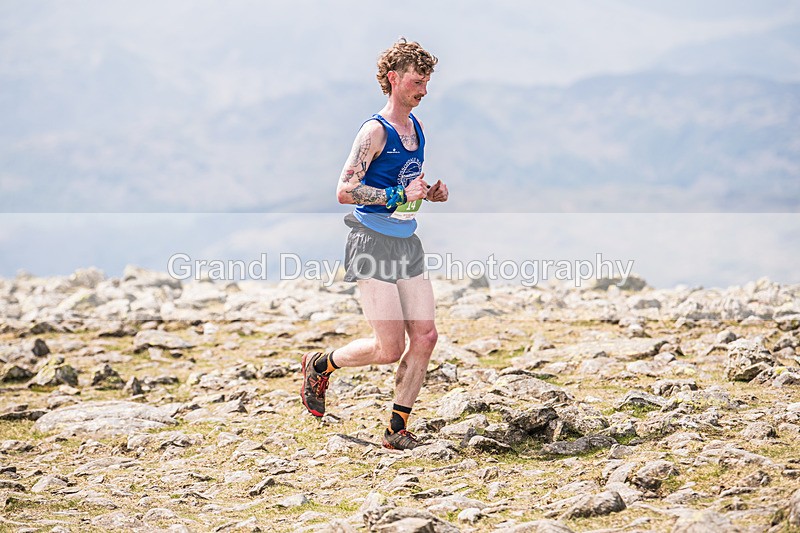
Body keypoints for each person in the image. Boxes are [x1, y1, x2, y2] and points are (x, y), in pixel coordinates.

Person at [300, 38, 448, 450]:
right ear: (393, 79)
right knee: (388, 348)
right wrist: (399, 197)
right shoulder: (374, 131)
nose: (423, 92)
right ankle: (320, 364)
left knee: (426, 336)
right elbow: (345, 191)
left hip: (406, 242)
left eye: (427, 83)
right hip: (371, 242)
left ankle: (396, 430)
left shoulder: (415, 127)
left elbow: (401, 183)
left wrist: (426, 193)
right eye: (417, 82)